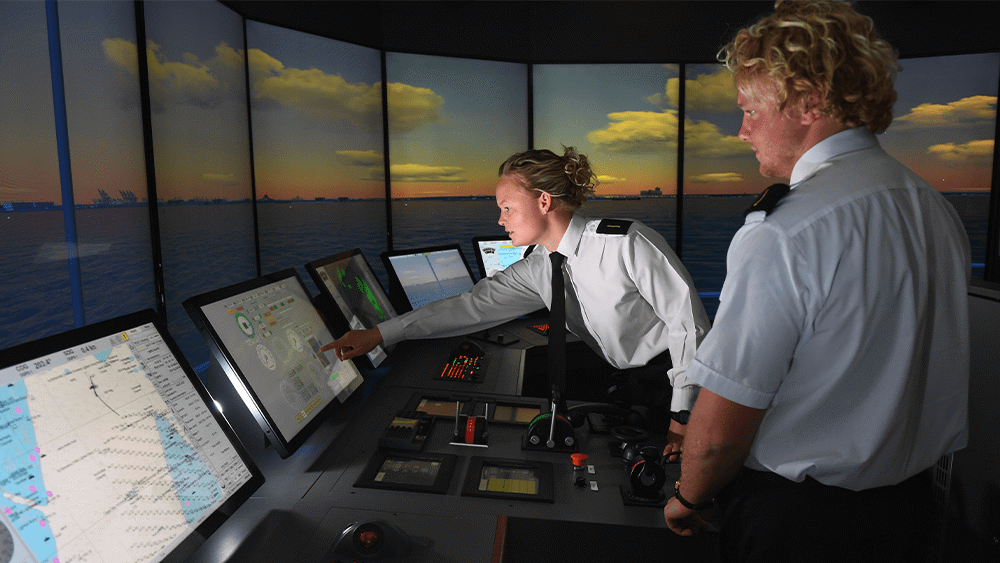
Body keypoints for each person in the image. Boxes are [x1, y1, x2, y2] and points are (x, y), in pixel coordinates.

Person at [662, 1, 971, 561]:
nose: (741, 131)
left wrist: (690, 495)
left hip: (802, 523)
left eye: (751, 110)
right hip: (916, 515)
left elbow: (720, 431)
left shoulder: (786, 232)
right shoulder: (931, 208)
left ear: (807, 102)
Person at [323, 147, 710, 451]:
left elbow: (690, 329)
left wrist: (683, 417)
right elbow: (471, 306)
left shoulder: (627, 243)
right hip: (628, 385)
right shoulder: (541, 266)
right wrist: (381, 333)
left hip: (683, 387)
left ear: (543, 202)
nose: (500, 220)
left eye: (507, 208)